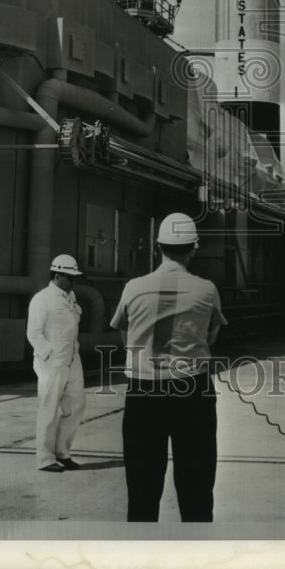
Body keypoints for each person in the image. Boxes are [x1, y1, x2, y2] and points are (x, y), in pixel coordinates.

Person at [110, 212, 228, 522]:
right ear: (193, 249)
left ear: (157, 247)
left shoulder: (133, 288)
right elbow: (210, 336)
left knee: (142, 493)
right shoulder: (207, 290)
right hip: (192, 392)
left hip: (143, 392)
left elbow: (126, 336)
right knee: (197, 492)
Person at [26, 254, 87, 473]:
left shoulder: (70, 298)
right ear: (58, 276)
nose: (74, 282)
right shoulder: (43, 299)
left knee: (77, 405)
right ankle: (45, 458)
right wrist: (48, 355)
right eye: (70, 277)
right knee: (49, 410)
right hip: (52, 363)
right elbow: (33, 332)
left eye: (75, 278)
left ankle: (62, 452)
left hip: (72, 361)